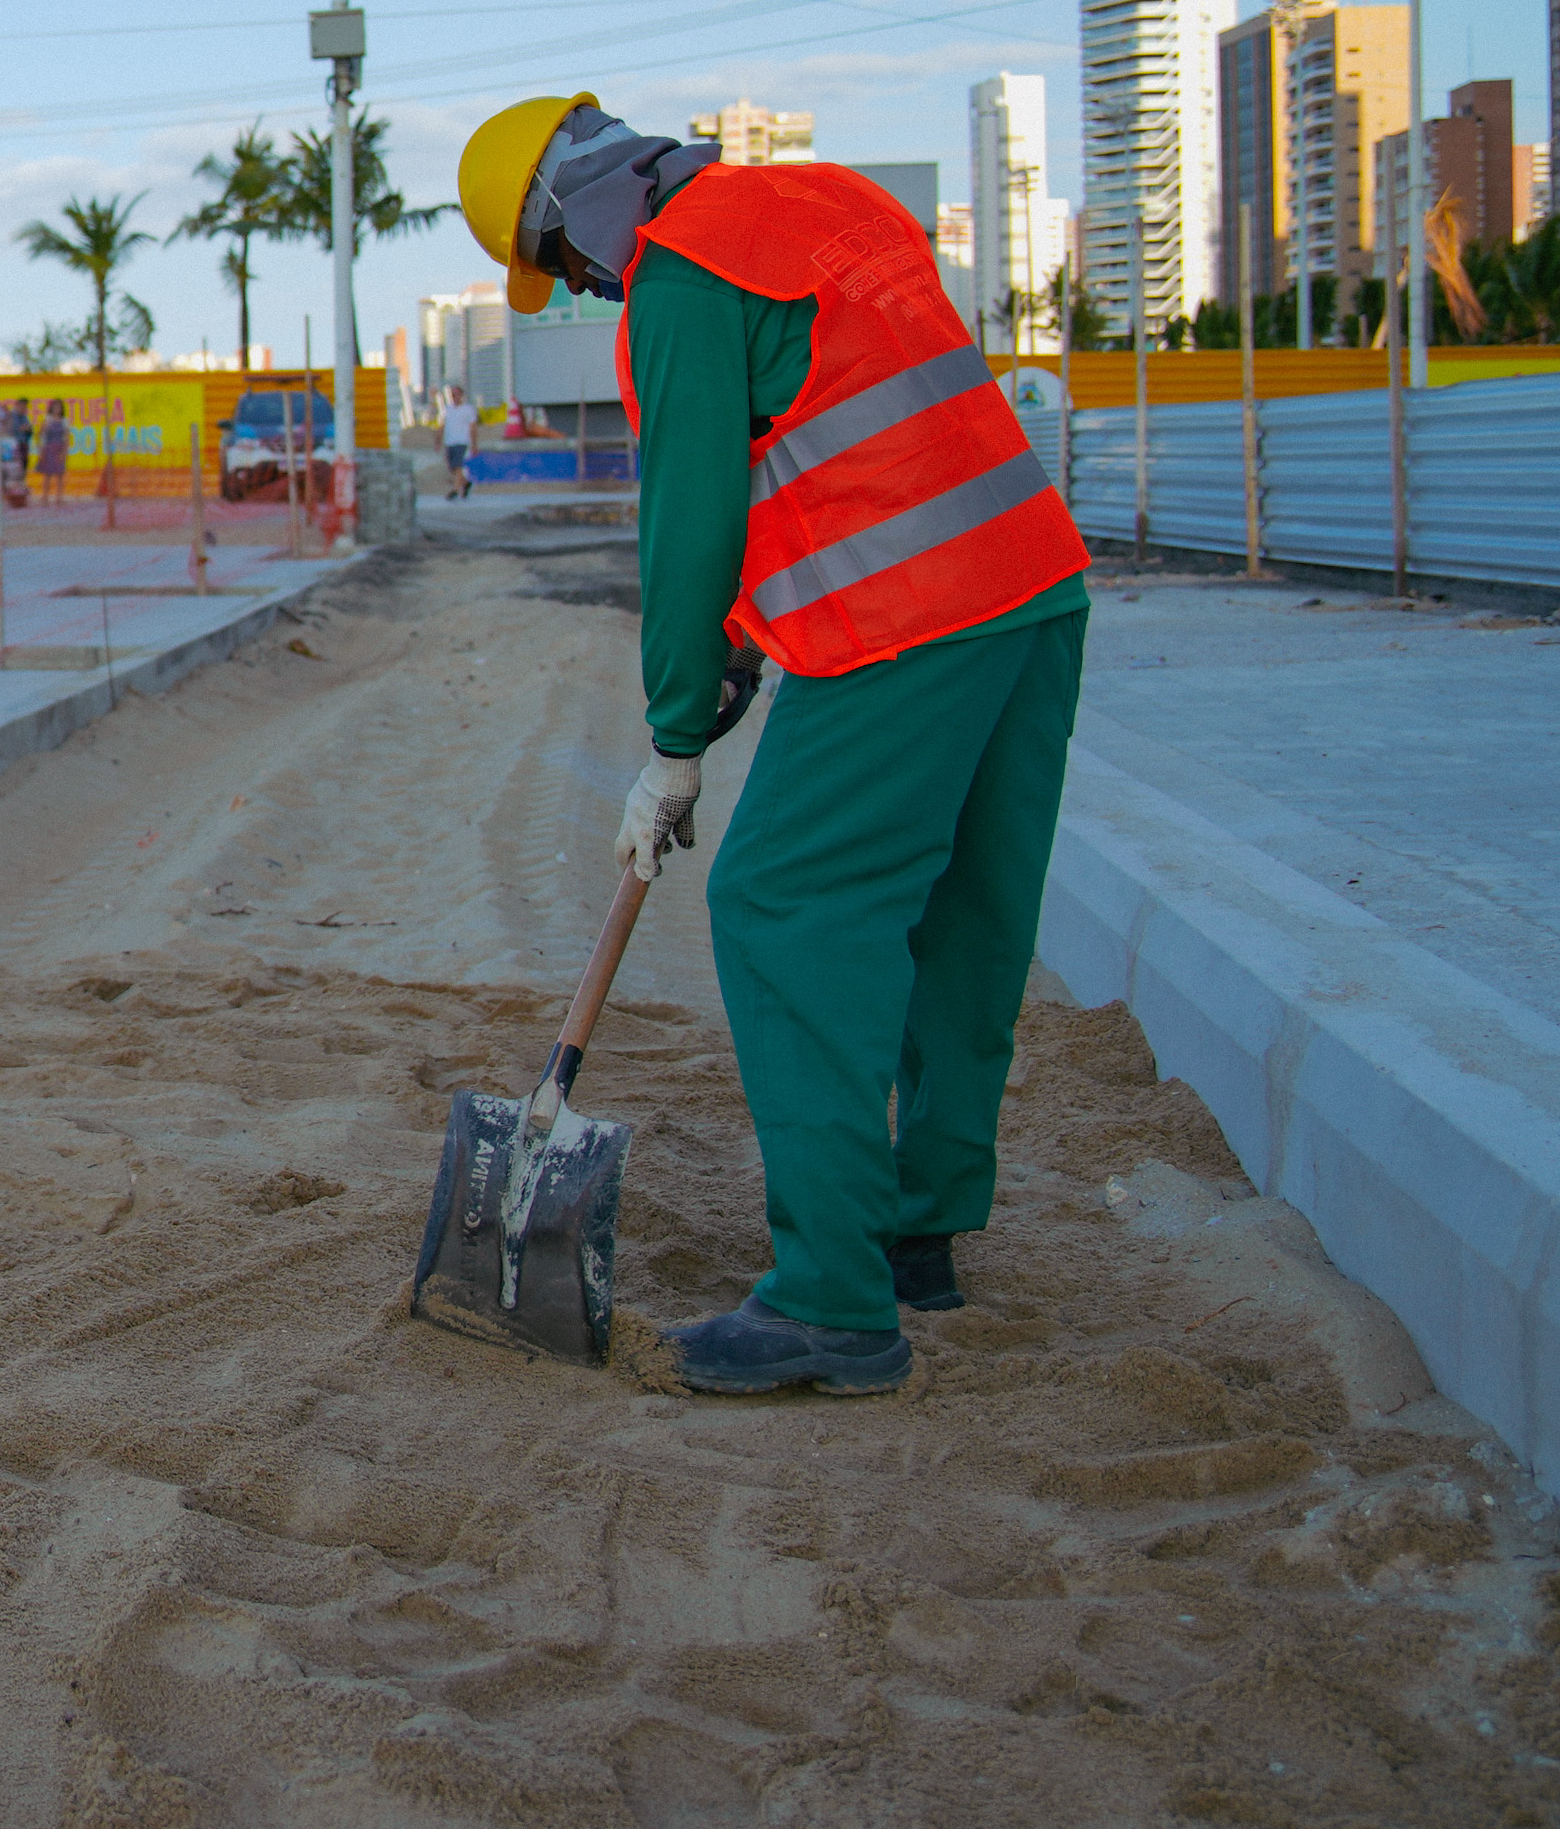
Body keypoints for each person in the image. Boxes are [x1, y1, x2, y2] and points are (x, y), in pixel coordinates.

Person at [455, 94, 1090, 1400]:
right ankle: (916, 1233)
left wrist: (675, 737)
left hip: (910, 618)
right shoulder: (823, 197)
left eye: (568, 271)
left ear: (572, 216)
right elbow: (837, 439)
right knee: (959, 914)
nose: (585, 292)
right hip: (1031, 590)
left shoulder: (682, 274)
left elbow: (690, 519)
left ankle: (835, 1305)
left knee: (781, 905)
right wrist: (751, 637)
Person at [439, 391, 479, 500]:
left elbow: (473, 427)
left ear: (461, 395)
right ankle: (466, 483)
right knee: (452, 467)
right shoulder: (448, 409)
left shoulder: (468, 409)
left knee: (458, 466)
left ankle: (455, 490)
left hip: (462, 441)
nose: (454, 397)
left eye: (456, 394)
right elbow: (442, 425)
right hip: (450, 442)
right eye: (453, 395)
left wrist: (474, 444)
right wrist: (438, 440)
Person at [37, 398, 72, 506]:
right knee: (47, 475)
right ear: (51, 408)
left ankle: (59, 498)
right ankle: (45, 498)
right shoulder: (47, 419)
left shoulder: (65, 421)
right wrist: (41, 451)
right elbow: (40, 434)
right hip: (48, 448)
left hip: (59, 448)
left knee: (60, 475)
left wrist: (64, 452)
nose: (57, 409)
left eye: (59, 407)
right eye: (55, 407)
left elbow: (66, 438)